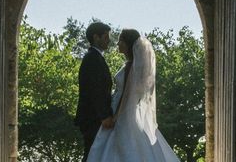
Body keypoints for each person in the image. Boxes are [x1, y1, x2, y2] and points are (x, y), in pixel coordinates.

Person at [86, 29, 181, 162]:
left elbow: (125, 95)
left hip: (121, 112)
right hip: (129, 111)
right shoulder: (134, 66)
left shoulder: (131, 67)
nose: (117, 43)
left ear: (127, 44)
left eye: (121, 41)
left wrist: (115, 116)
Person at [74, 22, 115, 161]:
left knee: (95, 156)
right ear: (96, 37)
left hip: (94, 117)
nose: (108, 40)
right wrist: (104, 116)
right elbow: (95, 90)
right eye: (105, 37)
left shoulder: (96, 57)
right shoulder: (92, 59)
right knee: (92, 155)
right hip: (93, 118)